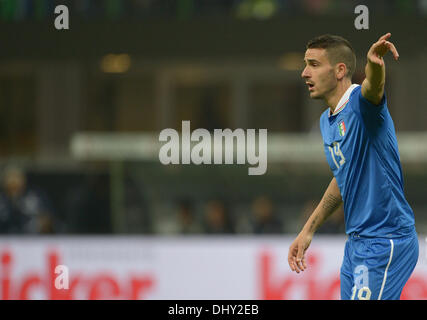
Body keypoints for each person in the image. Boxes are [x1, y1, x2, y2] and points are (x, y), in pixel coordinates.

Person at [288, 33, 418, 300]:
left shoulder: (360, 103)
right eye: (305, 64)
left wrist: (375, 64)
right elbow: (343, 178)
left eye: (313, 64)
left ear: (339, 70)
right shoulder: (327, 121)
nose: (304, 73)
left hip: (385, 239)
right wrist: (308, 230)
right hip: (358, 244)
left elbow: (373, 88)